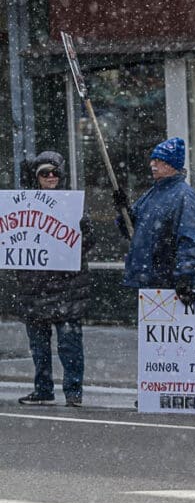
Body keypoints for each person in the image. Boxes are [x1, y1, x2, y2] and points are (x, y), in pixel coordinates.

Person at [16, 152, 94, 406]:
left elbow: (89, 242)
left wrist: (77, 237)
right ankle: (43, 388)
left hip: (67, 286)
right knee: (39, 346)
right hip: (35, 286)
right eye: (44, 173)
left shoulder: (74, 204)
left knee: (69, 344)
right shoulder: (22, 203)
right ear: (36, 176)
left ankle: (73, 392)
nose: (50, 177)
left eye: (54, 173)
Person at [115, 136, 195, 307]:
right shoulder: (152, 194)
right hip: (147, 280)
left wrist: (184, 277)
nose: (152, 164)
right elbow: (132, 231)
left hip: (165, 282)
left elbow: (189, 239)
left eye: (158, 160)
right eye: (152, 160)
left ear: (171, 165)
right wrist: (123, 210)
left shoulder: (185, 197)